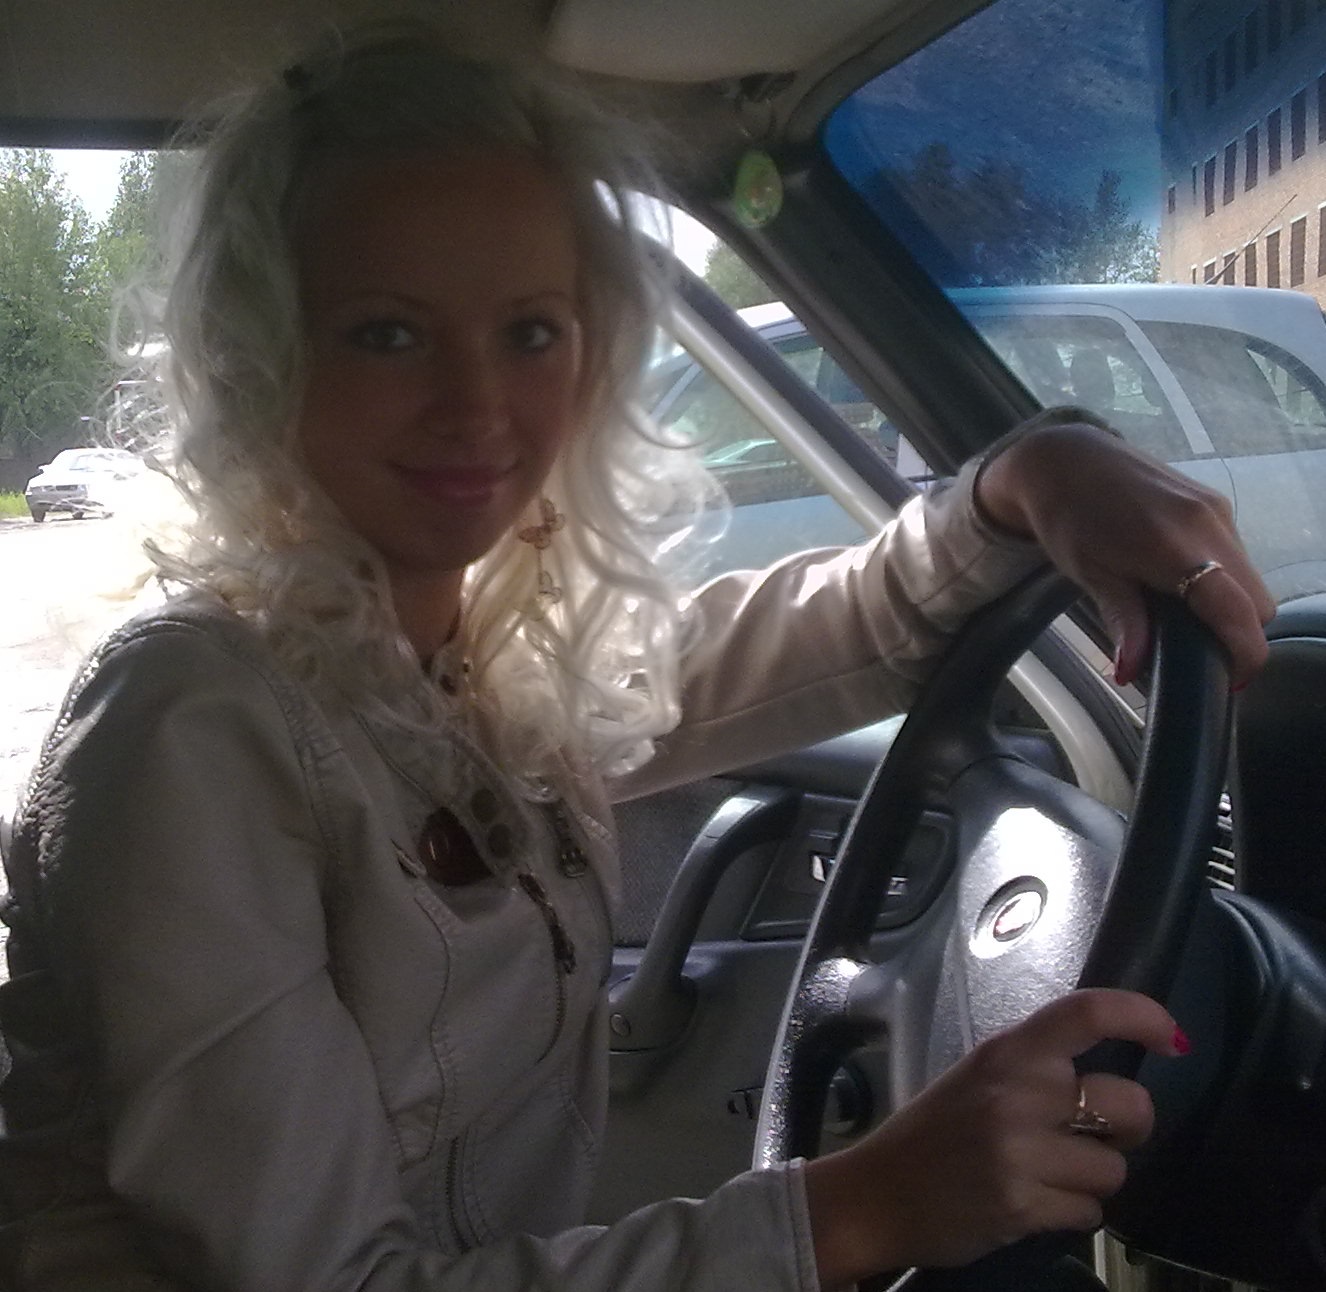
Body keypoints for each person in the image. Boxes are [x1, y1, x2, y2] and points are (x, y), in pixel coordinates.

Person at [0, 19, 1274, 1292]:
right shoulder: (192, 719)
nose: (477, 405)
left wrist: (1027, 475)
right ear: (262, 354)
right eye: (387, 332)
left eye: (531, 332)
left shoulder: (462, 662)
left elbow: (831, 626)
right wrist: (864, 1204)